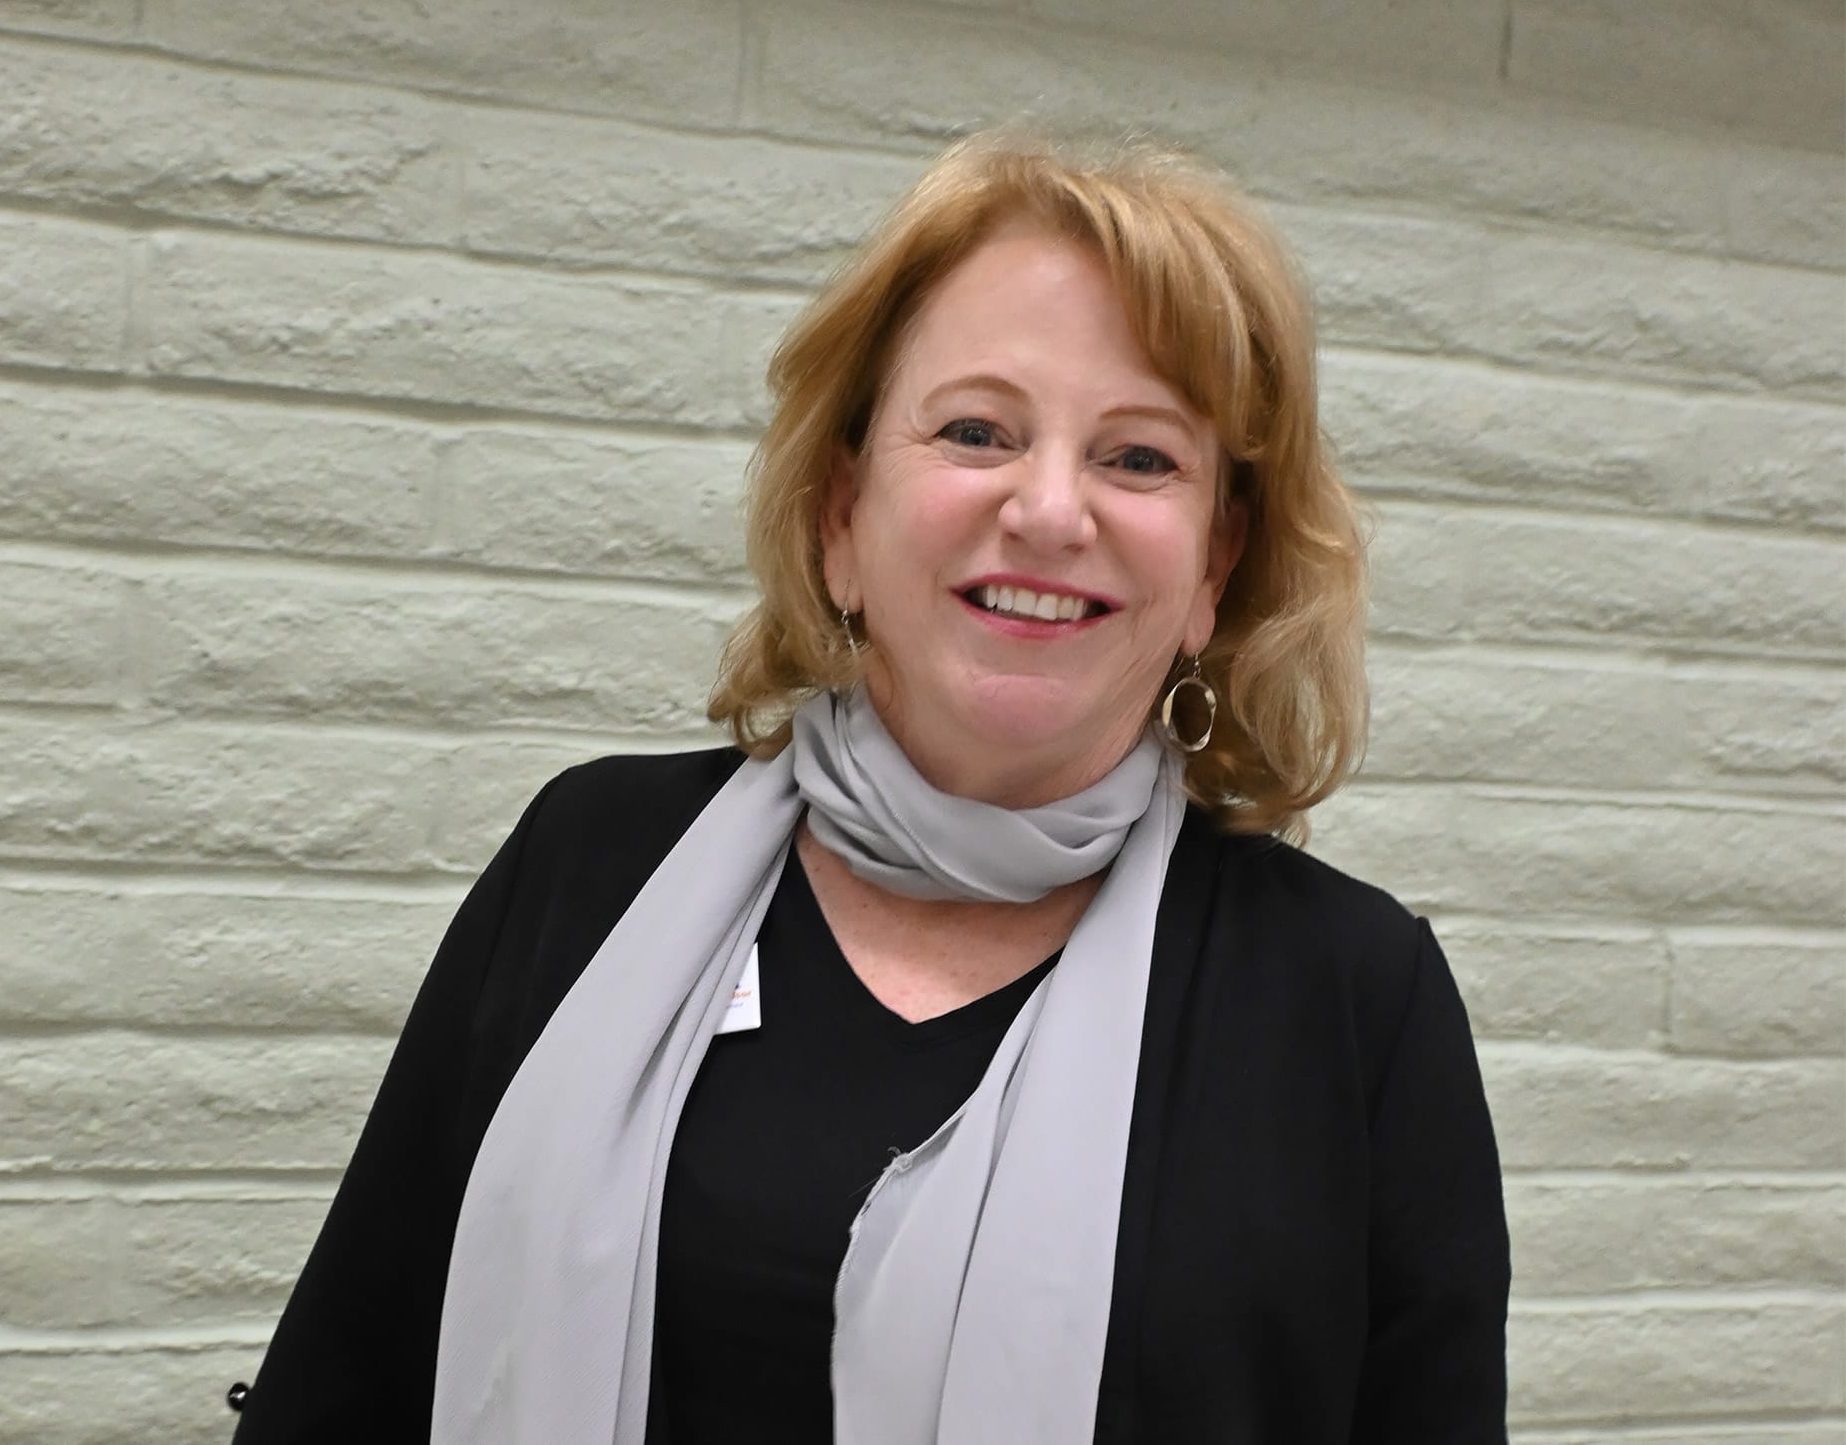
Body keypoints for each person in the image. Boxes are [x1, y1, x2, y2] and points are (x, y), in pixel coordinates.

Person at [229, 133, 1509, 1444]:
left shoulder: (1356, 1003)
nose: (1051, 509)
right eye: (976, 430)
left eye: (1139, 458)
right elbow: (347, 1380)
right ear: (842, 513)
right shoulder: (593, 864)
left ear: (1214, 567)